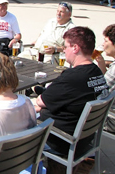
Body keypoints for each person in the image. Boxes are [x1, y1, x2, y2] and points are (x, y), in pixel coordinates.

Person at [36, 27, 108, 156]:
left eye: (65, 47)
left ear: (75, 48)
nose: (64, 50)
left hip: (62, 142)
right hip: (85, 138)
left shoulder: (72, 77)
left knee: (17, 119)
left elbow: (40, 101)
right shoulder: (97, 72)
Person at [94, 24, 115, 133]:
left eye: (106, 41)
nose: (103, 44)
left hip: (109, 119)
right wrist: (102, 64)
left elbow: (99, 91)